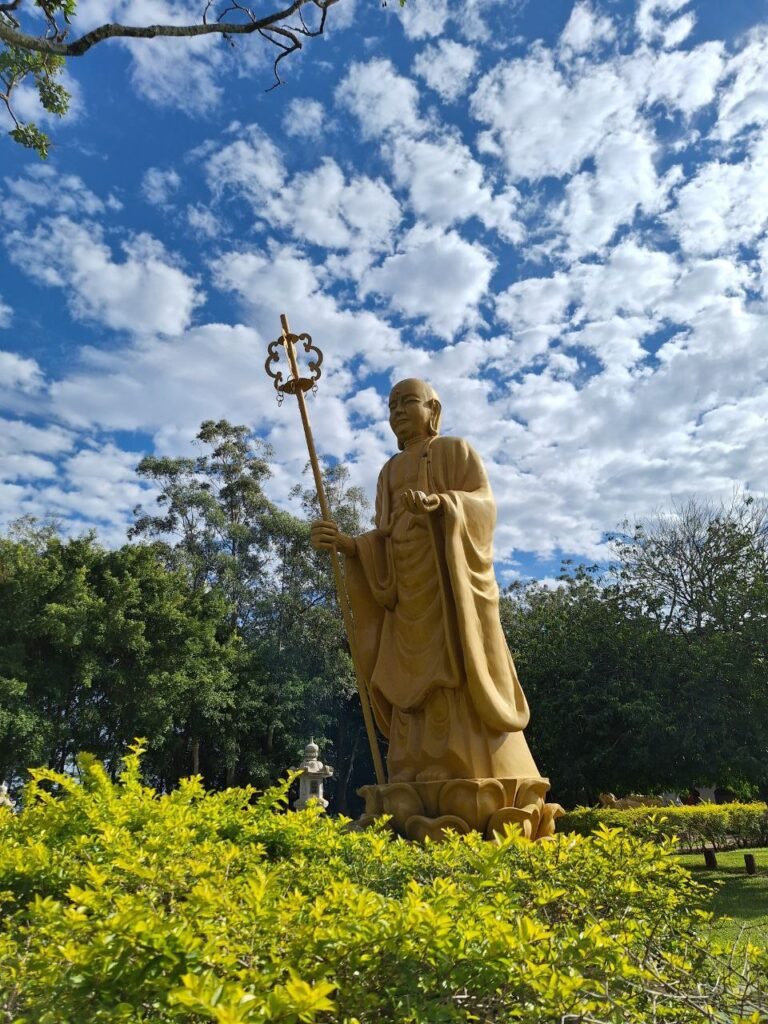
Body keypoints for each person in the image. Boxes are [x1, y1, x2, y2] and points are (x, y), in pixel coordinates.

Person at [311, 378, 541, 784]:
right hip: (404, 594)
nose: (398, 411)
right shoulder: (388, 471)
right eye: (392, 405)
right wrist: (349, 545)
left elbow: (484, 503)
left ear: (433, 411)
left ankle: (465, 764)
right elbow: (383, 537)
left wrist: (443, 505)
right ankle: (411, 767)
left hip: (448, 590)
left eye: (408, 402)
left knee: (452, 671)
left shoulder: (454, 450)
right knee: (404, 681)